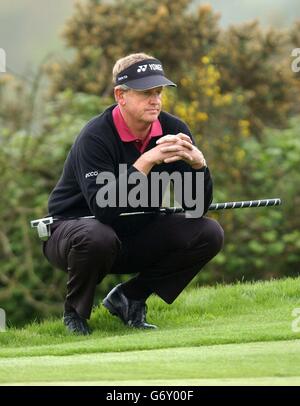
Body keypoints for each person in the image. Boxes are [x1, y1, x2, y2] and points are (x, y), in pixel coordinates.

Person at [42, 52, 224, 335]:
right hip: (73, 234)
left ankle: (131, 297)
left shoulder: (174, 130)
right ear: (120, 95)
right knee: (97, 235)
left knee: (208, 232)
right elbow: (104, 210)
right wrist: (146, 161)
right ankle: (75, 313)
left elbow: (195, 207)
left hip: (135, 234)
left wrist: (199, 166)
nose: (155, 100)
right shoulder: (95, 137)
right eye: (145, 93)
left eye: (158, 92)